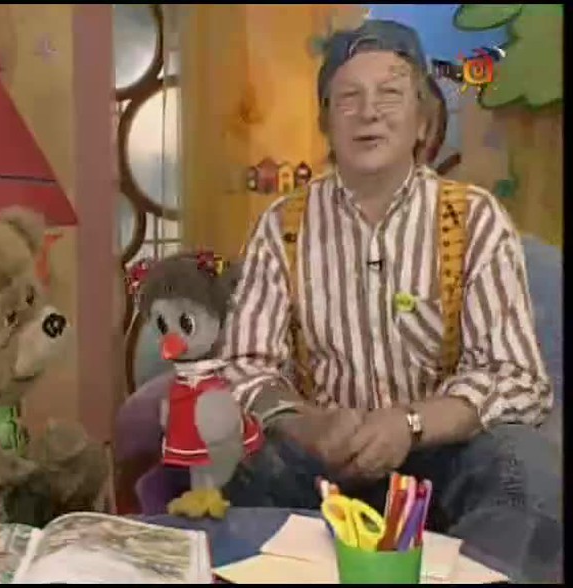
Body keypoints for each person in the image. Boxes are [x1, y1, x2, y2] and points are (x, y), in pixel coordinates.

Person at [218, 19, 562, 583]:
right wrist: (307, 424)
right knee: (244, 457)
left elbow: (518, 378)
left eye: (390, 93)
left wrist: (410, 424)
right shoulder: (281, 227)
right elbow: (243, 366)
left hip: (440, 451)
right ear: (327, 121)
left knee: (521, 466)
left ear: (422, 119)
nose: (368, 113)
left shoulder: (476, 220)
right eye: (348, 97)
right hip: (322, 454)